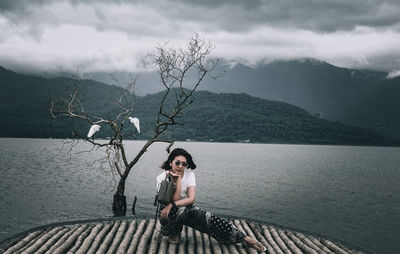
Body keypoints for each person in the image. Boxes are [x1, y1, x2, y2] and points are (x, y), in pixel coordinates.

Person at [156, 148, 267, 252]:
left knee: (209, 219)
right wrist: (176, 180)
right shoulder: (161, 178)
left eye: (184, 164)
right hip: (167, 214)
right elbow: (172, 199)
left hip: (181, 208)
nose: (180, 166)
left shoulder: (189, 175)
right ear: (170, 162)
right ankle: (173, 232)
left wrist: (177, 182)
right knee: (181, 211)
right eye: (177, 163)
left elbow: (191, 199)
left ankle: (245, 239)